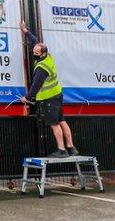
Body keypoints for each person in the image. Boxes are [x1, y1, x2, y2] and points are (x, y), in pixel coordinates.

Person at [19, 20, 79, 158]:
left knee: (54, 123)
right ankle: (71, 147)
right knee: (62, 120)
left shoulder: (42, 67)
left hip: (50, 98)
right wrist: (25, 31)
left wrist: (27, 98)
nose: (33, 52)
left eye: (36, 52)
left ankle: (62, 149)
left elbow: (36, 85)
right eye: (33, 51)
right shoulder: (47, 55)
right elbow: (35, 41)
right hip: (57, 94)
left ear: (42, 54)